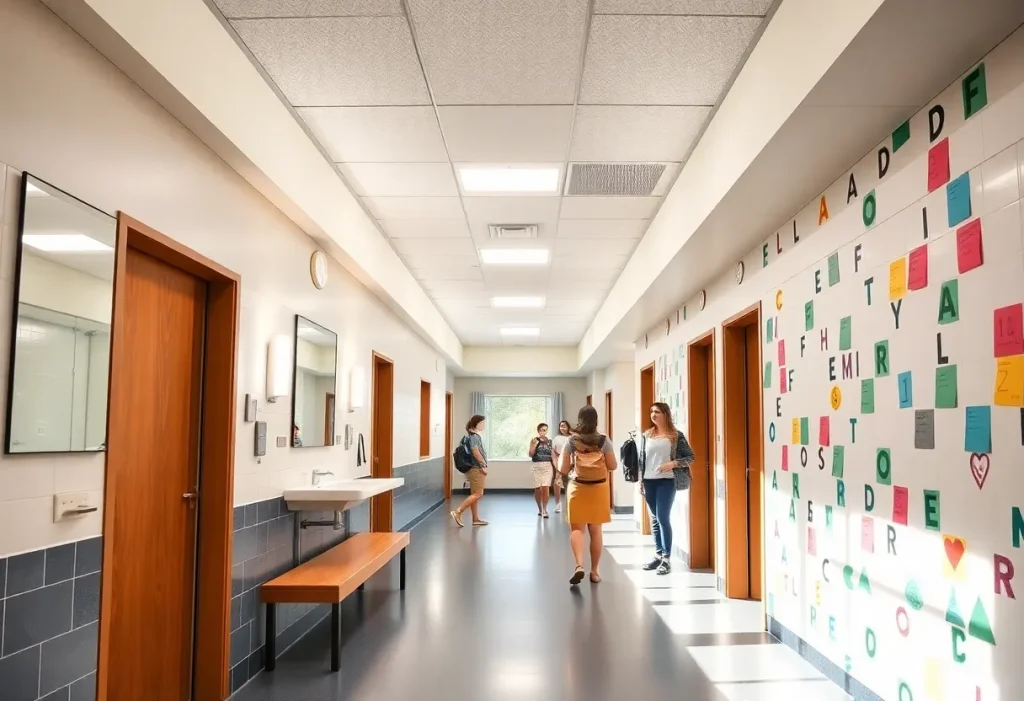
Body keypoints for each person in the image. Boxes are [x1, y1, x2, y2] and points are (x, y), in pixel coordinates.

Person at [558, 405, 617, 586]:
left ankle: (578, 566)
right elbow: (613, 465)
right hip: (599, 488)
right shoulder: (604, 440)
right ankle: (595, 572)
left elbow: (563, 469)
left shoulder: (572, 441)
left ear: (579, 419)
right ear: (596, 420)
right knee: (596, 531)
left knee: (577, 529)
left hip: (578, 487)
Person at [639, 402, 694, 575]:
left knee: (663, 517)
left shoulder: (676, 436)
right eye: (651, 411)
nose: (653, 414)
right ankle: (658, 555)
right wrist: (640, 480)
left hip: (666, 481)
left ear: (665, 414)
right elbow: (642, 459)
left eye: (657, 411)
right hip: (649, 481)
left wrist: (673, 463)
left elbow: (690, 457)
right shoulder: (646, 435)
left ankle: (666, 559)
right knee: (654, 519)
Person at [451, 415, 489, 527]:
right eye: (482, 422)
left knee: (474, 494)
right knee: (478, 493)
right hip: (476, 468)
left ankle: (475, 518)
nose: (483, 425)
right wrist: (483, 465)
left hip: (473, 468)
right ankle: (458, 512)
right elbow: (475, 451)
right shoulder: (475, 437)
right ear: (475, 423)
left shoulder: (470, 436)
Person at [529, 423, 554, 518]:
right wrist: (534, 446)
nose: (543, 432)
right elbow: (530, 454)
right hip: (537, 465)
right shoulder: (534, 440)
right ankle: (539, 508)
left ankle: (544, 509)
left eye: (545, 430)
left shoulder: (550, 442)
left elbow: (553, 456)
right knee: (538, 488)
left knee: (545, 487)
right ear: (538, 431)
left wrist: (557, 469)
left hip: (547, 465)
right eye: (541, 430)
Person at [550, 420, 571, 514]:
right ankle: (557, 504)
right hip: (559, 461)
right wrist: (555, 463)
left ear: (568, 427)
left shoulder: (572, 438)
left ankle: (570, 504)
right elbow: (553, 452)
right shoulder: (557, 438)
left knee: (570, 484)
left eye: (564, 426)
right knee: (557, 483)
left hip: (570, 462)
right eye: (561, 426)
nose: (562, 428)